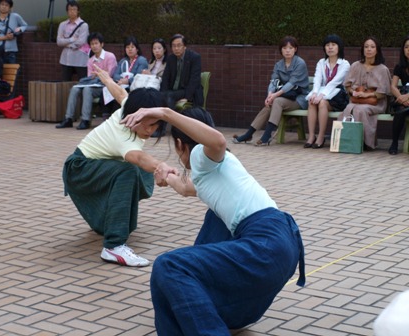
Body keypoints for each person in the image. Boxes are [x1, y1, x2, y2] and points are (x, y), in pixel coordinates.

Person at [121, 106, 305, 336]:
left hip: (265, 246)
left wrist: (165, 113)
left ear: (180, 144)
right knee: (216, 216)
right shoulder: (216, 168)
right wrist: (165, 174)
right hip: (282, 247)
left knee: (169, 266)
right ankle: (204, 302)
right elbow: (187, 188)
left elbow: (217, 141)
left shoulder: (200, 155)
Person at [62, 64, 175, 267]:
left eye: (156, 125)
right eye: (149, 125)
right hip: (80, 169)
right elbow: (139, 159)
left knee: (134, 172)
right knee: (130, 170)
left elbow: (121, 93)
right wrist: (161, 166)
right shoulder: (124, 139)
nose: (151, 131)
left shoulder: (129, 109)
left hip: (92, 166)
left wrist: (107, 80)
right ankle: (113, 247)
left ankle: (109, 223)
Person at [232, 36, 309, 146]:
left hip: (299, 98)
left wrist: (275, 96)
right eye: (284, 48)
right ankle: (249, 134)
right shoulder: (279, 64)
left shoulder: (300, 63)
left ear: (295, 49)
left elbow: (291, 83)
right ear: (281, 50)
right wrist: (269, 95)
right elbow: (274, 81)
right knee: (270, 104)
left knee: (276, 101)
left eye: (291, 48)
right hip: (284, 97)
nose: (287, 51)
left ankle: (266, 136)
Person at [56, 32, 117, 130]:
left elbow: (109, 75)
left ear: (102, 44)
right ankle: (68, 118)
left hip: (106, 87)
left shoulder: (110, 56)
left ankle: (86, 120)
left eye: (96, 43)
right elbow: (90, 78)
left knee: (87, 89)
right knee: (74, 89)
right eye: (92, 44)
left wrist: (97, 74)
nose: (94, 46)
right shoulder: (90, 60)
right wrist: (98, 75)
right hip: (94, 84)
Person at [341, 36, 391, 150]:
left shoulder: (383, 69)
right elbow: (347, 86)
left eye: (372, 47)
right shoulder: (355, 65)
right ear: (362, 49)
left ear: (377, 50)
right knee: (348, 108)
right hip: (356, 100)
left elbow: (383, 93)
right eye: (366, 47)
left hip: (376, 102)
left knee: (361, 110)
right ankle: (347, 140)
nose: (369, 49)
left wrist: (367, 95)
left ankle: (366, 142)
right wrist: (353, 92)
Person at [304, 34, 350, 149]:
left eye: (333, 45)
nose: (330, 47)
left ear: (339, 47)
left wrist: (321, 95)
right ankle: (311, 136)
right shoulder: (321, 62)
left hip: (338, 96)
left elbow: (335, 82)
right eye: (327, 45)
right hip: (323, 93)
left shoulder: (345, 64)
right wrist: (314, 93)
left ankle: (320, 136)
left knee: (322, 102)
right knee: (311, 101)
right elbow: (317, 78)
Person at [101, 36, 148, 119]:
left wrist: (128, 81)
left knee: (119, 92)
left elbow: (139, 76)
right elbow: (115, 74)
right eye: (127, 47)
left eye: (132, 47)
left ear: (137, 49)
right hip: (122, 84)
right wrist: (121, 80)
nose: (130, 49)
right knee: (107, 88)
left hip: (134, 86)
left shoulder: (141, 60)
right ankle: (106, 114)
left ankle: (118, 116)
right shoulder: (123, 61)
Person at [160, 34, 204, 109]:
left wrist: (187, 97)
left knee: (169, 95)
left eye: (179, 45)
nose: (176, 48)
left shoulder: (194, 57)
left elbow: (194, 80)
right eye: (174, 46)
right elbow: (165, 78)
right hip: (173, 91)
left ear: (185, 46)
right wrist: (162, 93)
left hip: (187, 90)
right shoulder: (171, 58)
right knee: (159, 95)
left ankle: (171, 119)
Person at [56, 0, 89, 81]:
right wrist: (71, 39)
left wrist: (66, 43)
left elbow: (80, 42)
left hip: (80, 59)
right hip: (65, 59)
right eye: (70, 9)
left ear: (78, 11)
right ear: (67, 11)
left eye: (74, 9)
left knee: (82, 81)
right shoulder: (62, 25)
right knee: (65, 83)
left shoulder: (84, 25)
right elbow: (59, 41)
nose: (72, 12)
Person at [0, 0, 27, 64]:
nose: (4, 7)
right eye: (2, 4)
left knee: (12, 72)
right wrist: (6, 37)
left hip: (11, 52)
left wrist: (20, 29)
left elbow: (25, 25)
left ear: (10, 7)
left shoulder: (15, 16)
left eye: (6, 5)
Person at [388, 36, 409, 155]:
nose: (408, 49)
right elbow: (393, 86)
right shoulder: (399, 67)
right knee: (400, 112)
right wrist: (401, 98)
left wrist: (407, 97)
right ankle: (394, 143)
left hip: (407, 98)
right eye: (406, 47)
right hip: (404, 102)